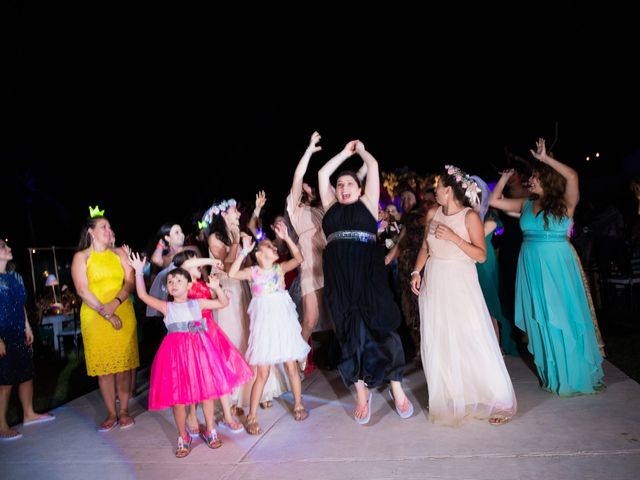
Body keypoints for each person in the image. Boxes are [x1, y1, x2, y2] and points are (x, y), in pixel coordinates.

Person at [490, 138, 604, 396]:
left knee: (562, 317)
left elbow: (573, 176)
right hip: (531, 267)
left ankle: (573, 374)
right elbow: (494, 202)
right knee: (542, 319)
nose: (532, 180)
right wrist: (506, 178)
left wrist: (545, 159)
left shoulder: (565, 203)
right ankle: (554, 374)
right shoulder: (525, 205)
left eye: (537, 177)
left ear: (548, 180)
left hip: (558, 267)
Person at [411, 166, 517, 426]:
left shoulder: (470, 217)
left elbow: (481, 255)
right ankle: (450, 396)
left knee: (472, 337)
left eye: (437, 186)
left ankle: (498, 398)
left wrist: (454, 238)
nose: (434, 190)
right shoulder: (434, 212)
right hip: (435, 283)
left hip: (460, 284)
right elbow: (426, 246)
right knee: (441, 339)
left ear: (448, 191)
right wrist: (416, 271)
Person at [319, 139, 413, 425]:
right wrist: (341, 154)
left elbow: (372, 165)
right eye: (341, 185)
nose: (345, 188)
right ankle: (361, 392)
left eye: (350, 184)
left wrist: (358, 151)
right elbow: (323, 174)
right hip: (340, 277)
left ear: (360, 189)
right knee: (348, 334)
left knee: (381, 328)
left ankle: (396, 385)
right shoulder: (330, 208)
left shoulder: (369, 205)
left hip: (368, 273)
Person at [128, 253, 249, 458]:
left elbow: (223, 303)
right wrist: (139, 272)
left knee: (207, 393)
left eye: (179, 280)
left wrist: (216, 288)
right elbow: (142, 295)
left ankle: (210, 430)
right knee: (178, 398)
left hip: (200, 353)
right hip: (175, 357)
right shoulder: (167, 307)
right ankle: (183, 435)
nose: (174, 284)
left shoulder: (197, 303)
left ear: (188, 284)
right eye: (170, 281)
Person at [229, 224, 311, 435]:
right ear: (258, 253)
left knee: (291, 366)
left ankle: (299, 404)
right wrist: (244, 252)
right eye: (269, 245)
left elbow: (299, 259)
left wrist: (287, 238)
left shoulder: (279, 269)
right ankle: (252, 416)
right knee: (262, 372)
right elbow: (232, 272)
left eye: (274, 246)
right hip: (264, 326)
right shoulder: (253, 272)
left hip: (283, 324)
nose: (274, 247)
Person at [71, 215, 139, 432]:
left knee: (123, 366)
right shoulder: (81, 257)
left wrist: (115, 304)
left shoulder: (119, 253)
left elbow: (130, 280)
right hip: (95, 316)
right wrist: (106, 313)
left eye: (110, 226)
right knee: (105, 369)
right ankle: (111, 412)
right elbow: (82, 289)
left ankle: (125, 410)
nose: (108, 230)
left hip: (122, 311)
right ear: (91, 232)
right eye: (103, 226)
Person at [172, 251, 248, 436]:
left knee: (219, 372)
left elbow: (219, 303)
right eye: (192, 261)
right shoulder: (184, 284)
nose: (196, 264)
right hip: (193, 334)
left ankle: (228, 416)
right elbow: (188, 265)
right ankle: (191, 415)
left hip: (211, 332)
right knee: (195, 375)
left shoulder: (201, 284)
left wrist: (220, 291)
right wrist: (211, 260)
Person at [0, 239, 55, 441]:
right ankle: (1, 425)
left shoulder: (15, 276)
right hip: (3, 334)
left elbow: (20, 304)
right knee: (5, 381)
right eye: (4, 247)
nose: (9, 248)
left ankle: (29, 414)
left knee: (26, 374)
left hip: (18, 332)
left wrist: (27, 326)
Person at [470, 175, 519, 356]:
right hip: (469, 261)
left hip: (484, 261)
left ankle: (497, 348)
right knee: (475, 304)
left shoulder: (490, 214)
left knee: (489, 303)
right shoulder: (466, 214)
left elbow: (480, 236)